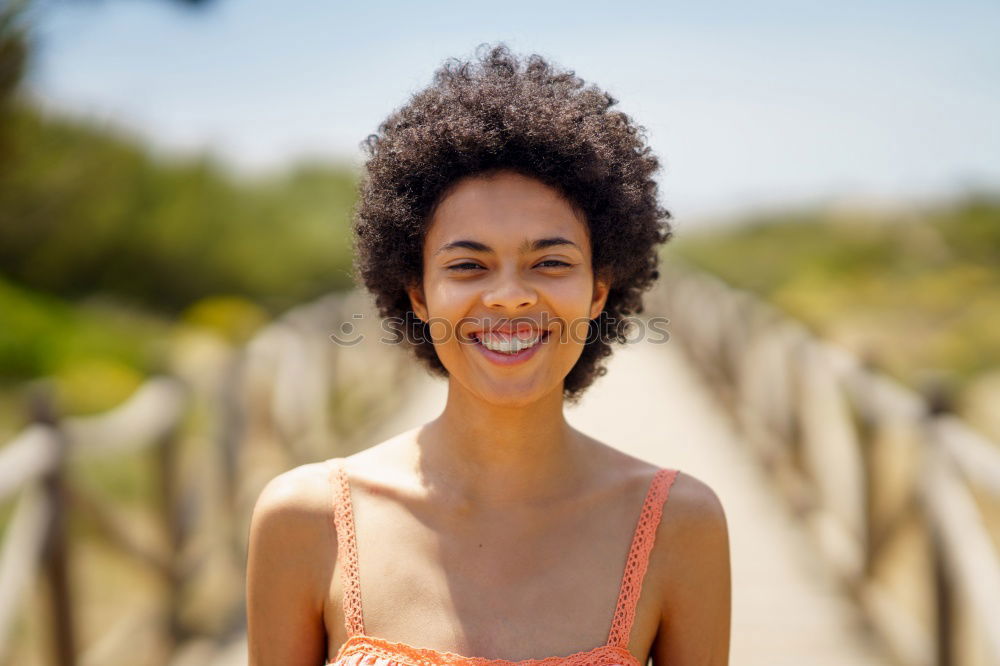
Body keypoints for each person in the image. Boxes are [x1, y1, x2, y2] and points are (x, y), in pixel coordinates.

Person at [246, 43, 731, 666]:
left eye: (550, 262)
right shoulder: (305, 519)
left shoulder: (677, 524)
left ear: (598, 292)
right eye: (469, 265)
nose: (508, 297)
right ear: (418, 293)